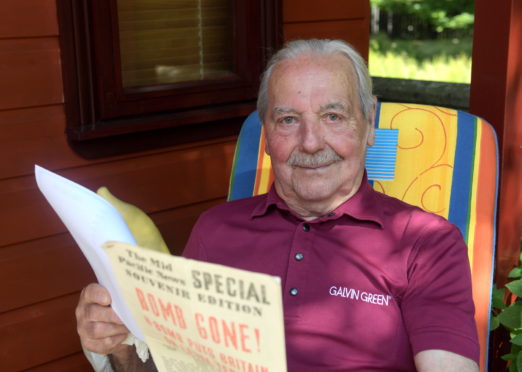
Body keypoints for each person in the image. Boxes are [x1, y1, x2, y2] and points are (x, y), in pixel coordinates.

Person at [76, 39, 479, 371]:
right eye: (288, 120)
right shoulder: (216, 229)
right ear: (266, 132)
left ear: (369, 122)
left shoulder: (426, 243)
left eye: (333, 116)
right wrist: (118, 346)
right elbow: (171, 364)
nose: (310, 142)